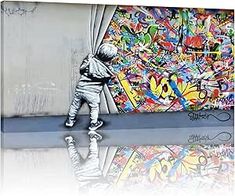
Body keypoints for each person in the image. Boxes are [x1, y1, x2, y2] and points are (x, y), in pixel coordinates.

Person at [64, 43, 118, 131]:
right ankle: (93, 124)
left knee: (75, 105)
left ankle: (70, 121)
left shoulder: (90, 60)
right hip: (93, 93)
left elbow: (81, 69)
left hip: (81, 88)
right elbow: (107, 81)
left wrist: (87, 60)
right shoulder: (109, 71)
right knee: (94, 108)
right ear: (110, 58)